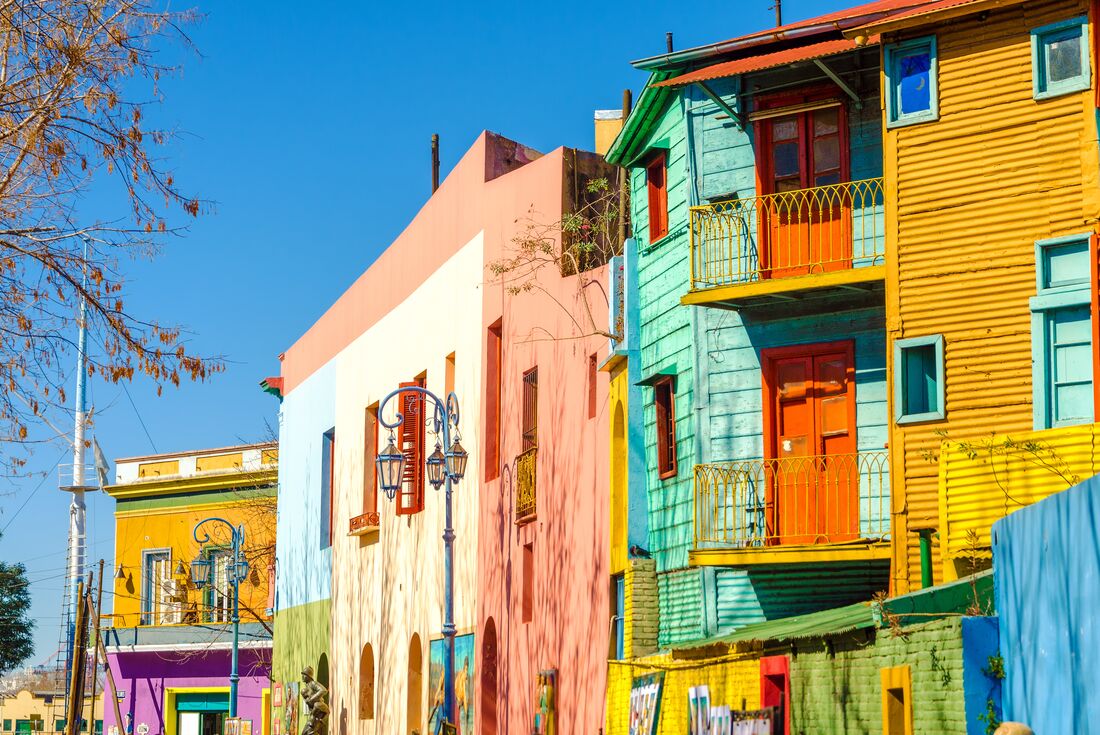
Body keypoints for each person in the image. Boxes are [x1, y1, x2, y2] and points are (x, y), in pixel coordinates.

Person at [299, 667, 330, 735]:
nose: (302, 676)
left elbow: (323, 690)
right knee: (305, 733)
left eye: (304, 674)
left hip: (319, 711)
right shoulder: (308, 686)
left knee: (310, 732)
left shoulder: (313, 683)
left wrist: (312, 699)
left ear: (308, 676)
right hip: (314, 714)